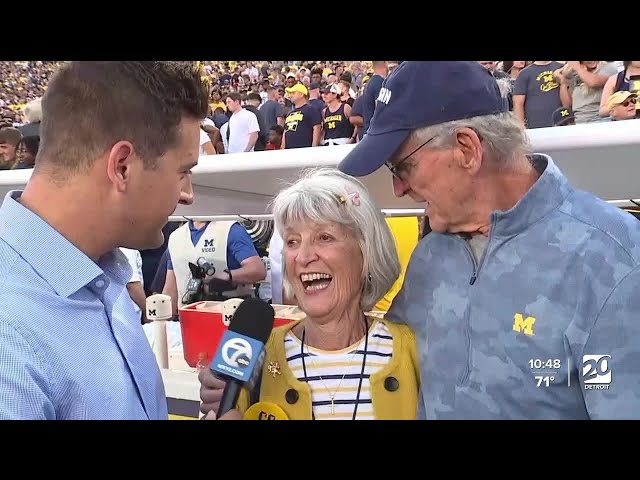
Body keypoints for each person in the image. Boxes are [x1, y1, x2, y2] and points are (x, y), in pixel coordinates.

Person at [337, 61, 640, 420]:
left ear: (466, 149)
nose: (398, 188)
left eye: (402, 167)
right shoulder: (430, 256)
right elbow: (384, 363)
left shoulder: (614, 260)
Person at [0, 61, 210, 420]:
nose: (188, 194)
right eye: (183, 171)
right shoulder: (11, 344)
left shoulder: (102, 272)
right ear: (123, 166)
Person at [199, 168, 420, 420]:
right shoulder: (258, 357)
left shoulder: (412, 352)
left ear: (366, 252)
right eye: (292, 241)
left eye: (324, 237)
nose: (303, 257)